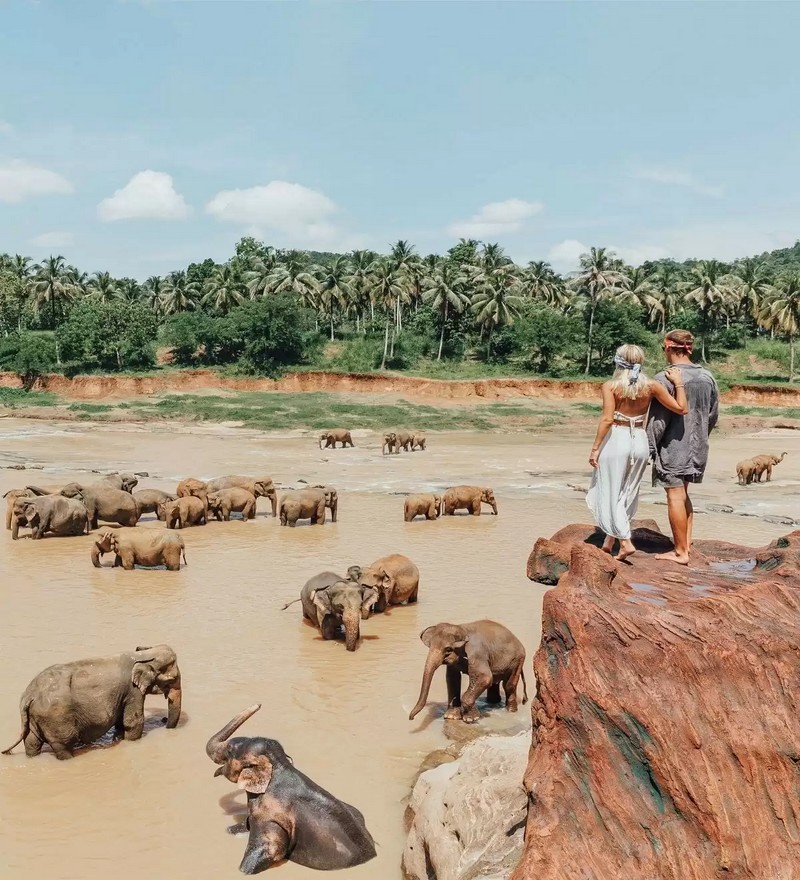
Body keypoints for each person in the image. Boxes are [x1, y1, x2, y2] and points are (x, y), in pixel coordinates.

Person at [586, 344, 688, 562]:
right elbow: (681, 408)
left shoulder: (611, 386)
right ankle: (609, 541)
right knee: (627, 490)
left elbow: (606, 419)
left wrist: (595, 448)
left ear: (618, 361)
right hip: (640, 440)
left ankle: (625, 542)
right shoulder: (651, 385)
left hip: (617, 439)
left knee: (610, 491)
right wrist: (679, 383)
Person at [647, 329, 719, 566]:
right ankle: (685, 543)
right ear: (689, 348)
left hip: (674, 447)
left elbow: (658, 421)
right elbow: (712, 415)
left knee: (675, 496)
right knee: (684, 493)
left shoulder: (664, 378)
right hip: (699, 446)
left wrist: (649, 447)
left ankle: (680, 552)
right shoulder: (707, 377)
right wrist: (700, 437)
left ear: (668, 348)